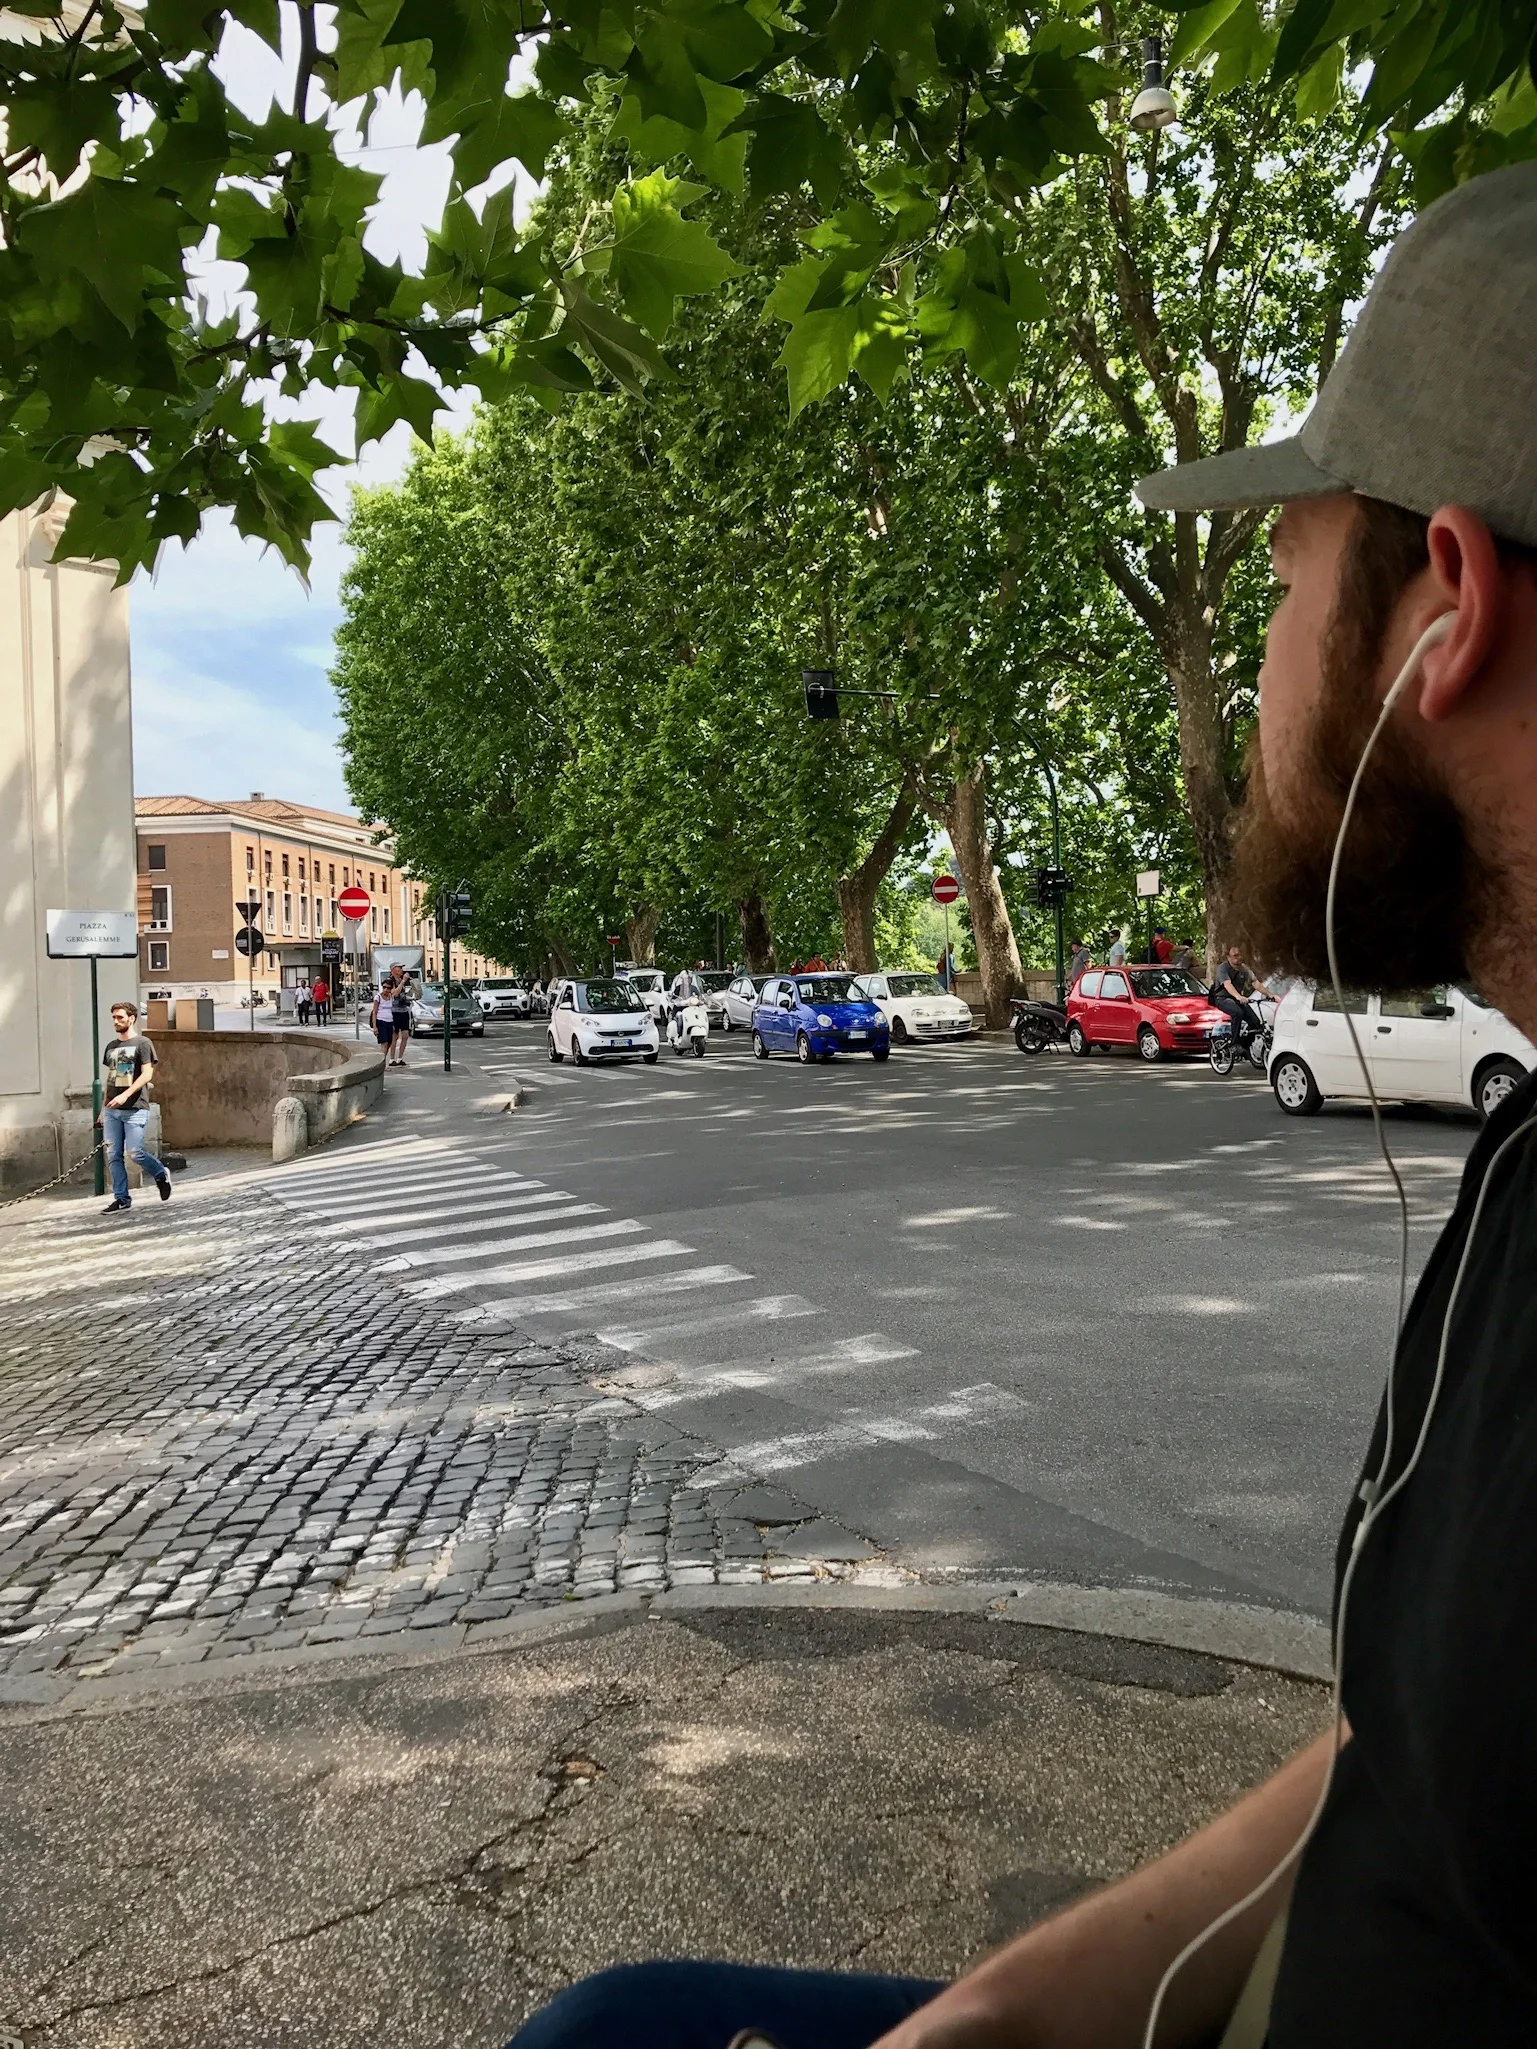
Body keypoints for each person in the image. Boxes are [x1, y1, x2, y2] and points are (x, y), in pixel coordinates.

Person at [509, 165, 1537, 2049]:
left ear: (1440, 612)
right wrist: (1009, 2003)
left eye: (1284, 582)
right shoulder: (1521, 1167)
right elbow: (1406, 1739)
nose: (1250, 673)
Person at [97, 1001, 171, 1216]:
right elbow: (110, 1078)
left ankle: (160, 1174)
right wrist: (103, 1108)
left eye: (120, 1017)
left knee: (135, 1152)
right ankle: (121, 1199)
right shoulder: (111, 1046)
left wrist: (125, 1095)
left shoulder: (143, 1043)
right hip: (112, 1111)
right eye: (114, 1017)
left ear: (132, 1018)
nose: (116, 1021)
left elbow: (147, 1074)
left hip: (135, 1108)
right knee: (113, 1155)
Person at [1209, 943, 1273, 1042]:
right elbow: (1228, 985)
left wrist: (1269, 994)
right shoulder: (1223, 968)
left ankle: (1245, 1045)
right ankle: (1234, 1043)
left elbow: (1255, 982)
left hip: (1237, 999)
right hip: (1222, 999)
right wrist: (1239, 996)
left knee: (1255, 1023)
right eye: (1235, 956)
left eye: (1239, 955)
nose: (1238, 958)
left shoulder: (1244, 968)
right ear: (1228, 957)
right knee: (1237, 1012)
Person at [389, 966, 415, 1066]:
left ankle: (400, 1058)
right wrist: (403, 981)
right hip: (394, 1011)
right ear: (393, 970)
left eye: (401, 968)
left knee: (405, 1035)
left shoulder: (401, 981)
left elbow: (403, 995)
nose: (401, 970)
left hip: (404, 1010)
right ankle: (392, 1059)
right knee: (394, 1036)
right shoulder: (390, 981)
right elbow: (395, 994)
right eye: (398, 968)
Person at [368, 973, 396, 1058]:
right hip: (380, 1021)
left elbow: (397, 991)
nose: (386, 989)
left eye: (388, 988)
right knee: (384, 1042)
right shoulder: (378, 997)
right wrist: (375, 1027)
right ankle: (383, 1062)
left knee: (389, 1042)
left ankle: (382, 1058)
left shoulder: (391, 997)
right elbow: (375, 1012)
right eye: (384, 987)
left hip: (389, 1022)